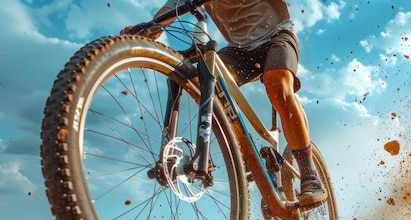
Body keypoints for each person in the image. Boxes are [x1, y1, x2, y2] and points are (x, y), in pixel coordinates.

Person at [122, 0, 327, 207]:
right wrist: (149, 28)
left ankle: (310, 175)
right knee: (208, 85)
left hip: (276, 35)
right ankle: (257, 167)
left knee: (278, 85)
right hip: (239, 49)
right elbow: (172, 7)